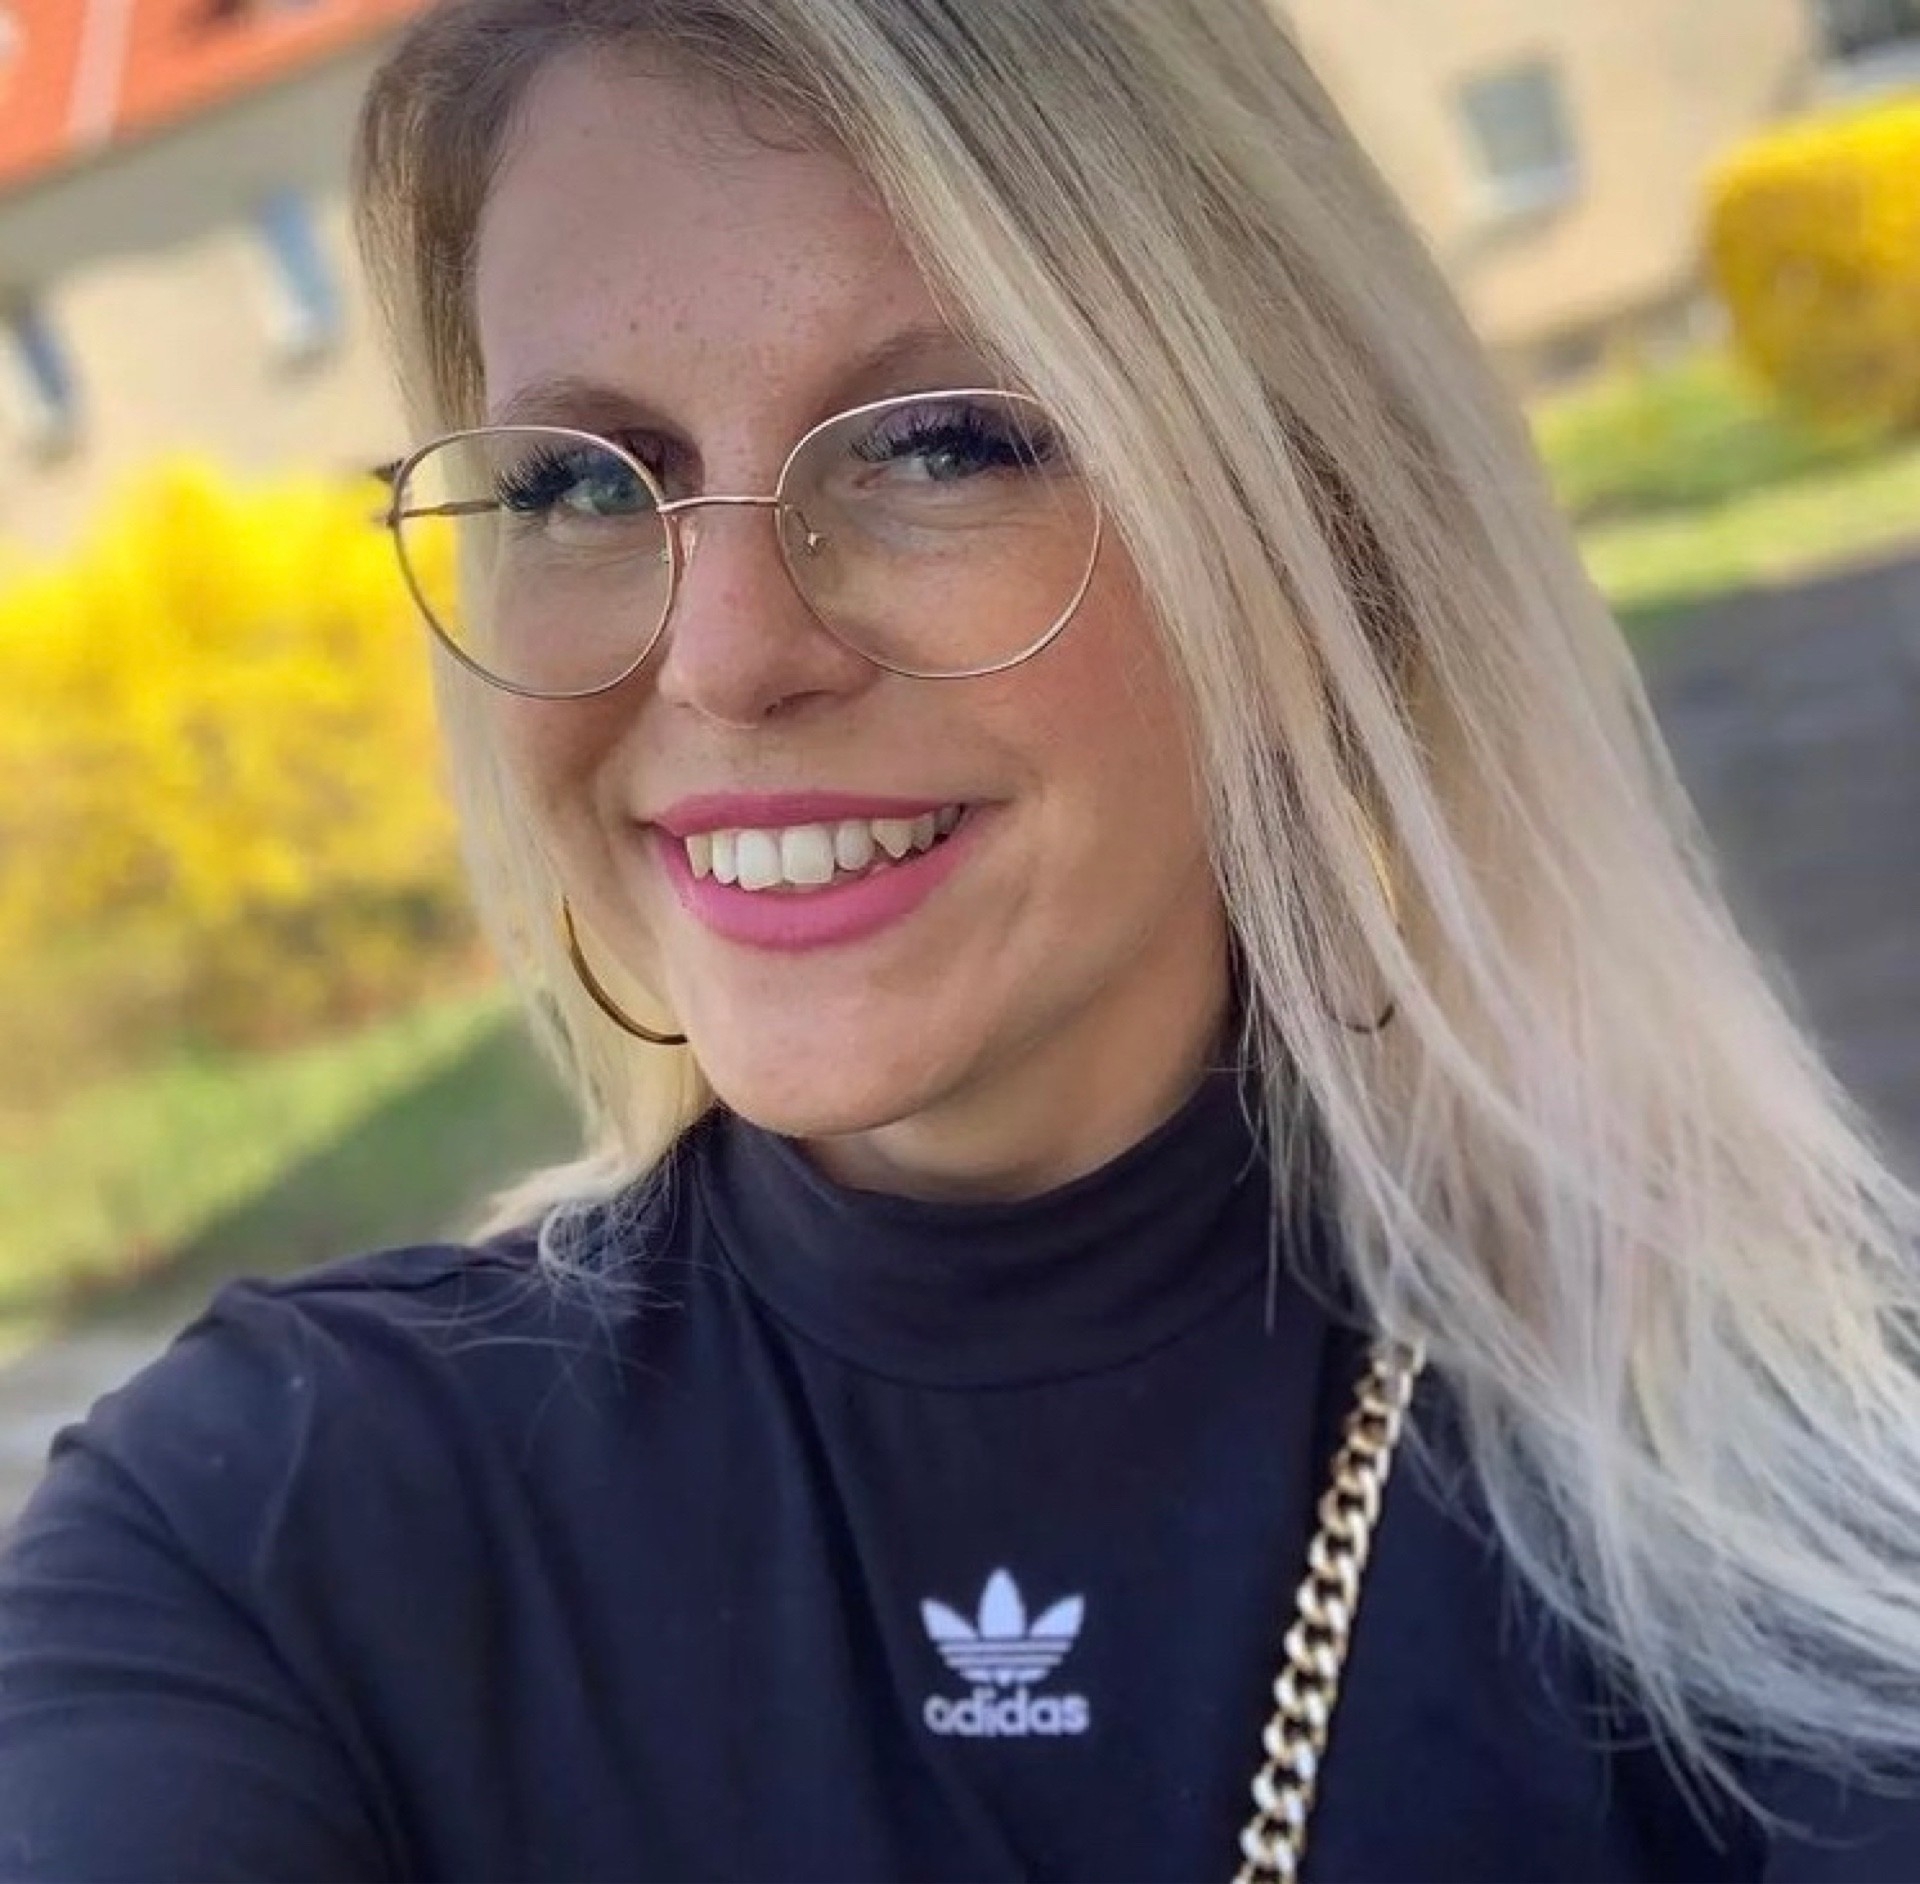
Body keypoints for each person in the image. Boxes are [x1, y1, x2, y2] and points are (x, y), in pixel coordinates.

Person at [3, 1, 1918, 1877]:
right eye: (583, 482)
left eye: (938, 445)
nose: (726, 655)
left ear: (1316, 534)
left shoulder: (1779, 1499)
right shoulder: (266, 1529)